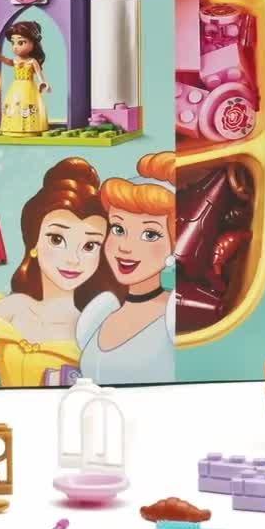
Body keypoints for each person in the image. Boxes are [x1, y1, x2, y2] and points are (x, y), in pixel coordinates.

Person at [0, 158, 115, 387]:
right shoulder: (16, 307)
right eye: (56, 239)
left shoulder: (92, 323)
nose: (73, 259)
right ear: (33, 243)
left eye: (89, 246)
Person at [77, 152, 178, 384]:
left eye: (150, 234)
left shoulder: (174, 315)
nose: (125, 247)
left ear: (175, 243)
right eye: (118, 229)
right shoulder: (99, 313)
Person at [0, 21, 49, 135]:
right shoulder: (15, 60)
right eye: (13, 43)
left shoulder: (32, 61)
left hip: (29, 87)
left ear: (33, 43)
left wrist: (43, 83)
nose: (15, 47)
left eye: (21, 43)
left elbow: (39, 74)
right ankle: (12, 126)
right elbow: (6, 61)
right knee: (14, 104)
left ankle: (30, 128)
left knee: (28, 106)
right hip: (16, 87)